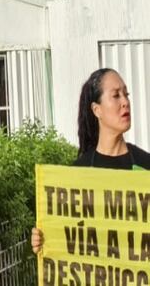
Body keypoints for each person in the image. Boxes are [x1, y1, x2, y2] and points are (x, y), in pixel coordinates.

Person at [31, 68, 149, 254]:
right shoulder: (77, 175)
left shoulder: (146, 165)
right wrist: (45, 241)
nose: (125, 102)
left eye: (126, 94)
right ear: (97, 109)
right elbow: (67, 238)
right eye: (116, 96)